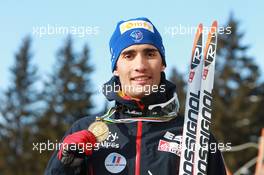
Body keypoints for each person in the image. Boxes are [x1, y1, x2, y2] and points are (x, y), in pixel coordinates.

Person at [45, 17, 227, 175]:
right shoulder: (85, 130)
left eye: (150, 54)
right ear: (116, 68)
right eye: (128, 55)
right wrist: (64, 165)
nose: (140, 65)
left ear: (162, 64)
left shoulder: (194, 135)